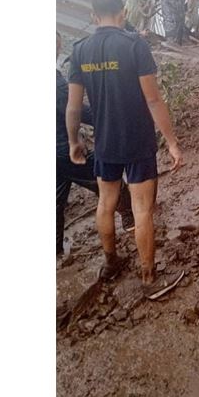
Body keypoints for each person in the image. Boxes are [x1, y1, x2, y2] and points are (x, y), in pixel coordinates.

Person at [66, 0, 183, 283]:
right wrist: (171, 141)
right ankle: (147, 275)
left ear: (94, 16)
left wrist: (73, 141)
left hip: (105, 142)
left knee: (105, 204)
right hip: (138, 140)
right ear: (123, 13)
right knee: (142, 209)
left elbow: (74, 106)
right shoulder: (134, 45)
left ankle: (110, 262)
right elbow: (154, 100)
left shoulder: (79, 50)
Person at [57, 31, 136, 256]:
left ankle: (55, 250)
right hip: (64, 149)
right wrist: (108, 114)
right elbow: (76, 110)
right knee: (112, 186)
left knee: (56, 200)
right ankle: (130, 222)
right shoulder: (56, 82)